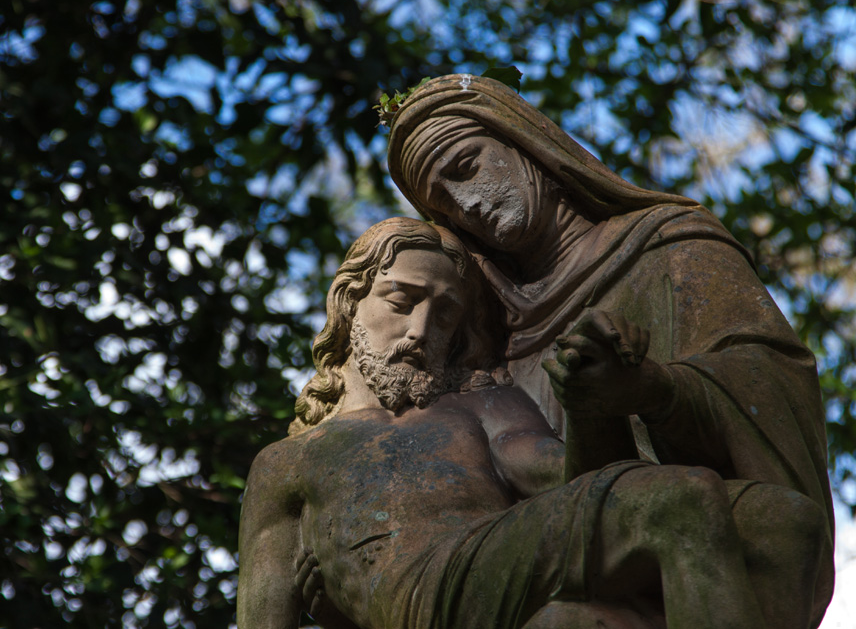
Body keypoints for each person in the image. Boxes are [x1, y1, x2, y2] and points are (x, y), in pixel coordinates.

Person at [386, 75, 834, 622]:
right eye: (444, 205)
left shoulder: (670, 246)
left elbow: (767, 384)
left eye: (466, 166)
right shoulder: (481, 331)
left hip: (698, 543)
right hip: (557, 568)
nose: (466, 205)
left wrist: (656, 389)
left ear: (528, 144)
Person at [237, 217, 826, 629]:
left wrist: (589, 395)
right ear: (349, 302)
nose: (420, 331)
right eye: (401, 300)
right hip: (425, 594)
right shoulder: (290, 460)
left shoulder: (483, 404)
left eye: (445, 315)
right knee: (681, 500)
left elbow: (577, 482)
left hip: (500, 567)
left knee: (784, 520)